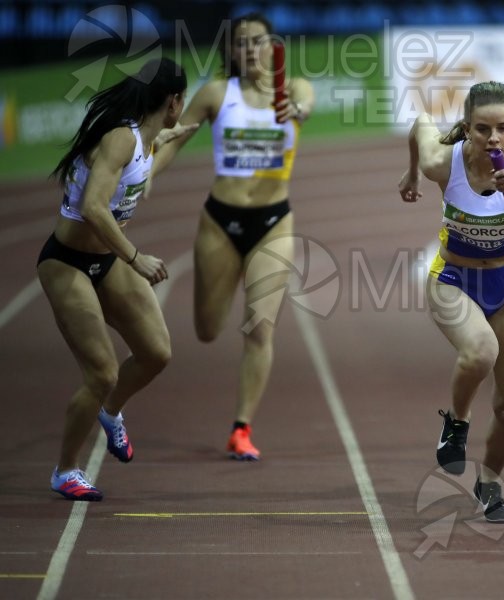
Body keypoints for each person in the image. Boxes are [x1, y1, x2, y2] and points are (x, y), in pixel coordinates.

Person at [398, 81, 504, 522]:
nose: (494, 139)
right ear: (467, 129)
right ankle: (456, 422)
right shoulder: (445, 162)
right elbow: (419, 125)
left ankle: (489, 481)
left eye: (503, 128)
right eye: (482, 130)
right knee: (480, 351)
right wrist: (414, 172)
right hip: (453, 278)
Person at [151, 13, 314, 461]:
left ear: (272, 46)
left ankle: (241, 428)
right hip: (220, 223)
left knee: (260, 328)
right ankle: (236, 417)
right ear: (232, 53)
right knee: (206, 329)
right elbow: (171, 140)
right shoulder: (217, 94)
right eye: (240, 45)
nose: (249, 51)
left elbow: (304, 106)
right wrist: (142, 177)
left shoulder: (293, 89)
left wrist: (296, 111)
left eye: (257, 42)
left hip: (274, 222)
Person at [40, 57, 190, 500]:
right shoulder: (121, 138)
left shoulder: (143, 139)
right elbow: (92, 206)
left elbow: (145, 169)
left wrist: (172, 137)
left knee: (156, 352)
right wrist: (135, 256)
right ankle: (65, 470)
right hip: (66, 262)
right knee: (103, 371)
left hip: (103, 263)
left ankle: (111, 412)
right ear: (173, 100)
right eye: (182, 101)